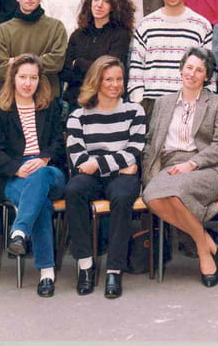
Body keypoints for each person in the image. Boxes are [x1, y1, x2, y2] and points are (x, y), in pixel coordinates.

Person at [142, 48, 218, 287]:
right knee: (152, 196)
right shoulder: (163, 103)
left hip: (207, 166)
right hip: (170, 165)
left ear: (207, 76)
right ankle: (207, 242)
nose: (192, 73)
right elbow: (151, 142)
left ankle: (204, 253)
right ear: (181, 70)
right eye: (189, 67)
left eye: (199, 70)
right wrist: (149, 172)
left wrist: (192, 164)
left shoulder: (217, 102)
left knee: (175, 193)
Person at [0, 53, 67, 298]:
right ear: (13, 78)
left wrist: (43, 159)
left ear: (40, 80)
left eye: (33, 78)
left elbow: (58, 142)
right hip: (13, 174)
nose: (28, 83)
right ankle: (47, 273)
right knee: (40, 204)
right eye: (23, 77)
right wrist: (16, 168)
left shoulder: (50, 106)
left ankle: (19, 231)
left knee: (40, 177)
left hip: (48, 170)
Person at [65, 56, 145, 299]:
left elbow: (134, 150)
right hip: (100, 175)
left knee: (122, 196)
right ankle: (85, 266)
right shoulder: (78, 116)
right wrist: (118, 166)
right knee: (73, 190)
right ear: (96, 81)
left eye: (119, 79)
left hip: (118, 179)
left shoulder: (135, 111)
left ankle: (114, 270)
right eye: (108, 79)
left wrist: (97, 164)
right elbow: (79, 160)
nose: (115, 84)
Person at [127, 0, 213, 117]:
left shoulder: (201, 25)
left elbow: (210, 71)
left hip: (189, 104)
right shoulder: (146, 25)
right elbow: (136, 68)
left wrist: (204, 103)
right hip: (153, 104)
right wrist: (139, 102)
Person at [0, 0, 68, 99]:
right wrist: (41, 59)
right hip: (12, 100)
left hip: (47, 100)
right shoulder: (2, 30)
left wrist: (15, 61)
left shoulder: (56, 27)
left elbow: (57, 63)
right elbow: (0, 71)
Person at [61, 0, 134, 110]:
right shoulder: (78, 35)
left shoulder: (121, 35)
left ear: (114, 6)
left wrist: (79, 63)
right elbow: (65, 73)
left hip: (106, 104)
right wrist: (96, 70)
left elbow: (109, 72)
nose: (99, 5)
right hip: (77, 103)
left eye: (106, 1)